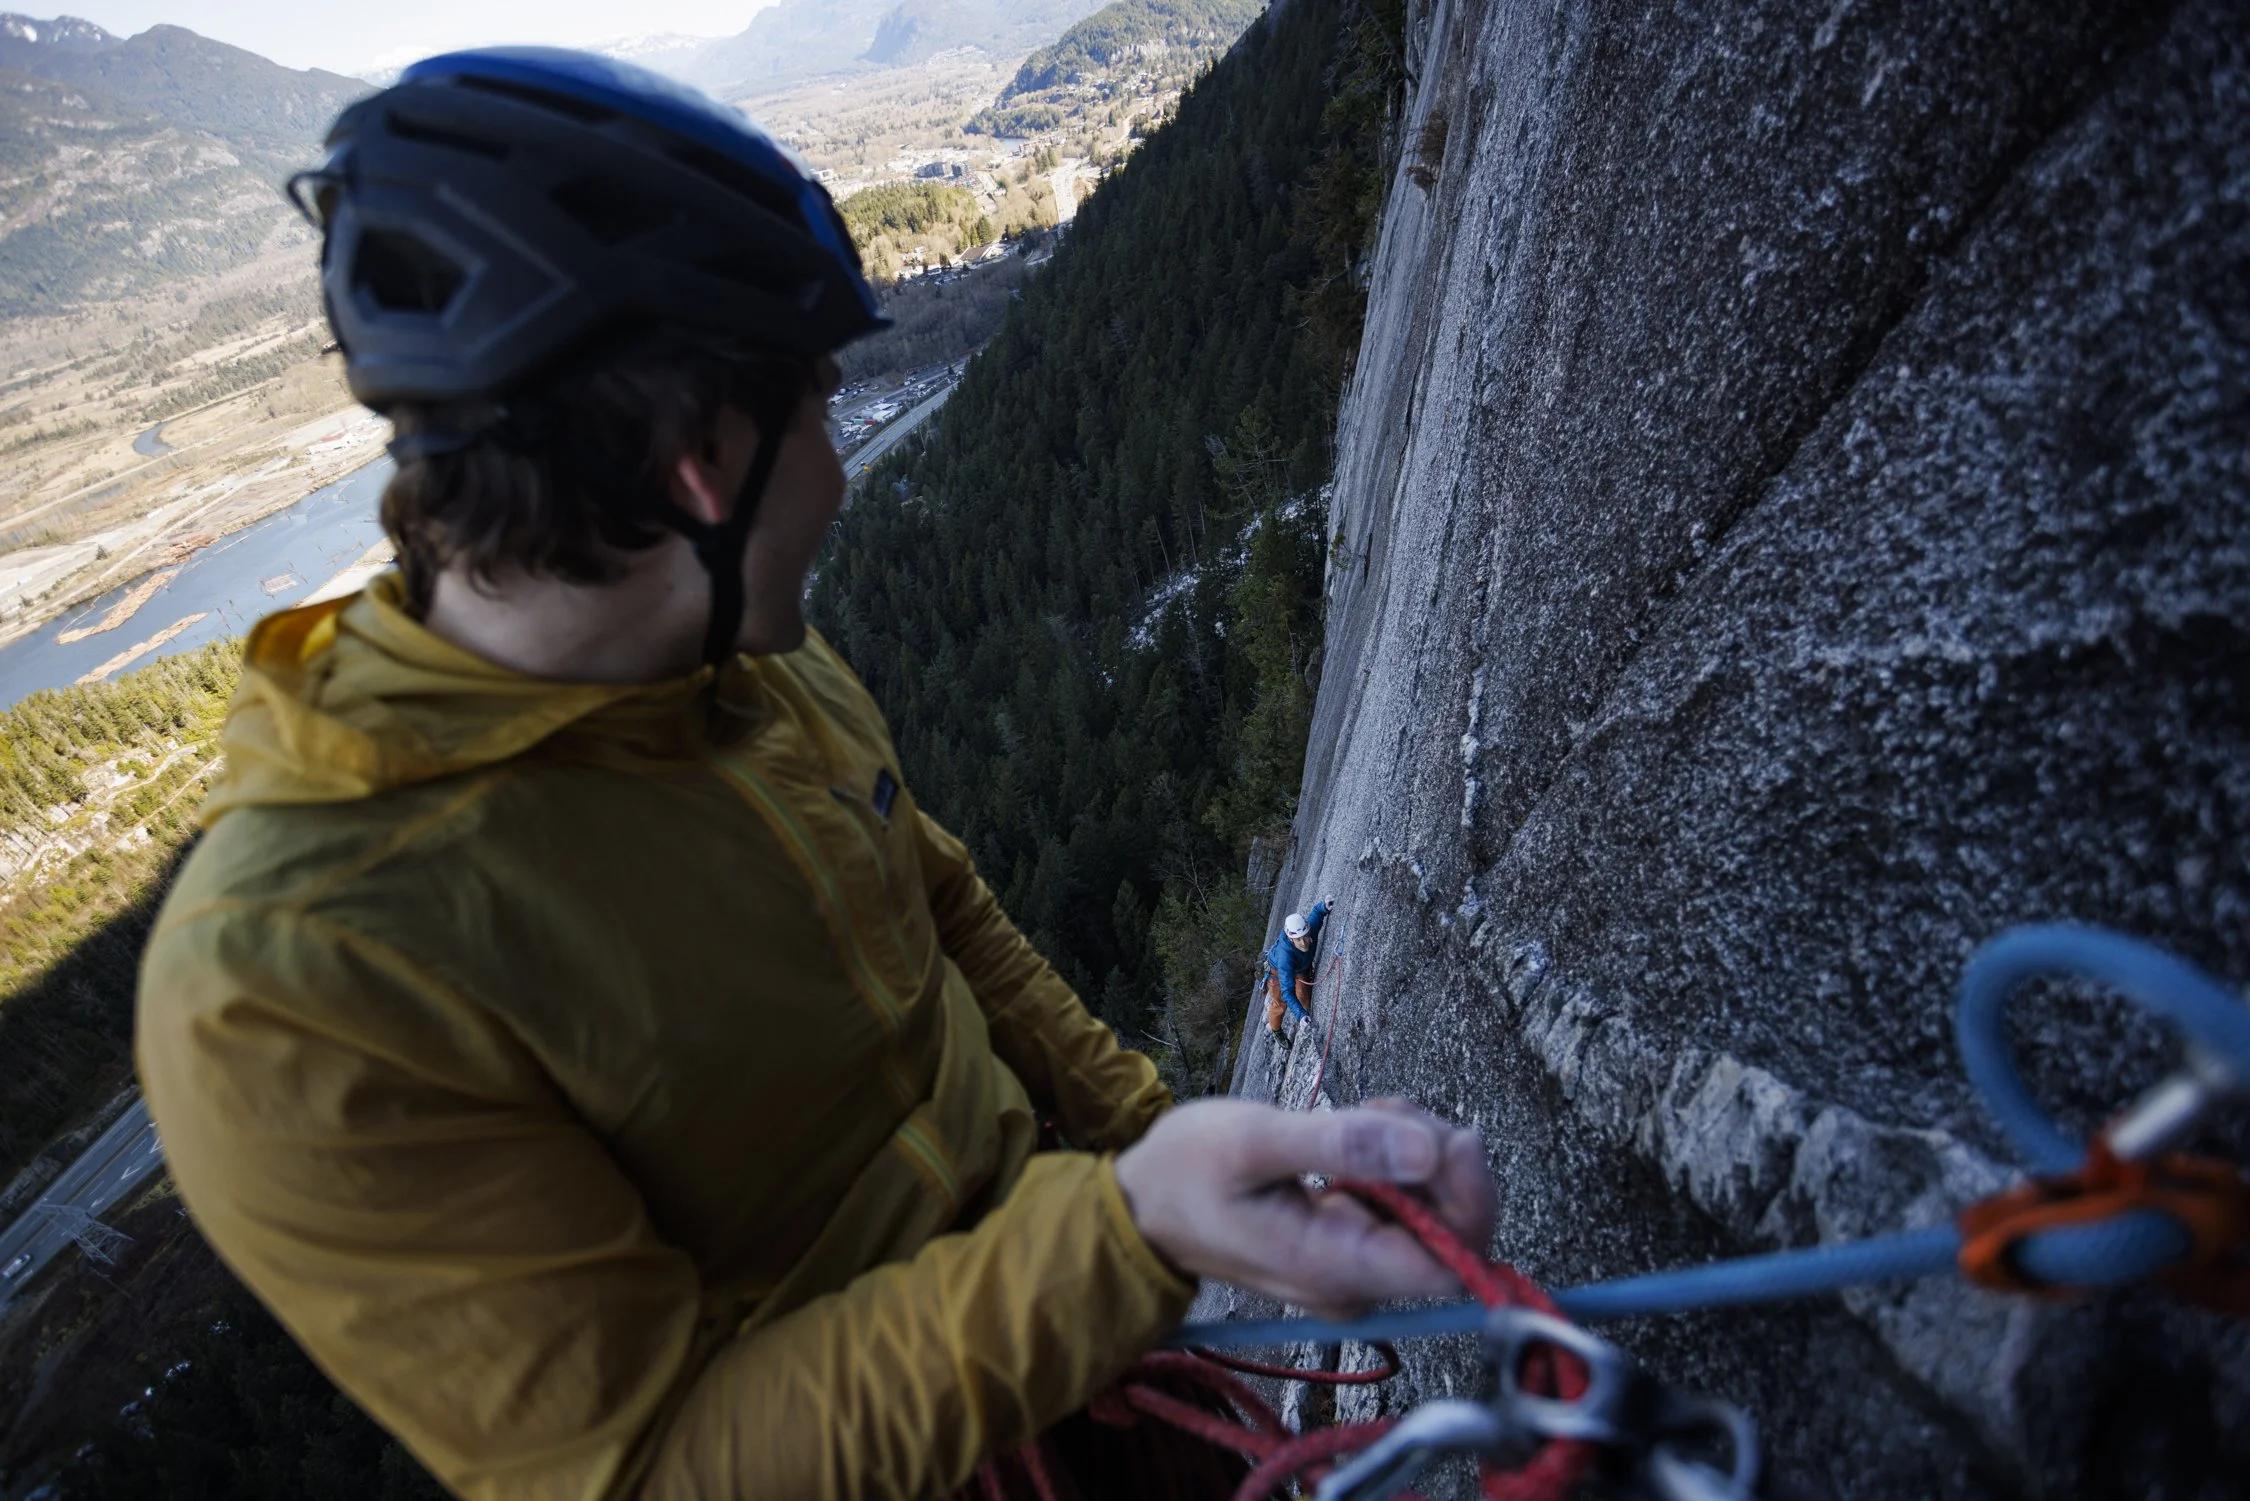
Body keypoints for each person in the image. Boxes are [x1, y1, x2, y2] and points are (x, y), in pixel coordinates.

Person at [133, 50, 1496, 1501]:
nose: (840, 471)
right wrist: (1123, 1237)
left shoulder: (731, 658)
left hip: (1086, 1354)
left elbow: (939, 908)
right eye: (818, 405)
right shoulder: (292, 985)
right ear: (700, 465)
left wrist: (1152, 1150)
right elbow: (644, 1469)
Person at [1262, 897, 1335, 1044]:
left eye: (1305, 937)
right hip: (1276, 973)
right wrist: (1301, 1016)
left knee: (1305, 997)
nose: (1304, 943)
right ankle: (1275, 1029)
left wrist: (1324, 906)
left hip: (1300, 967)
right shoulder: (1285, 957)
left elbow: (1316, 914)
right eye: (1298, 940)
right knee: (1280, 1001)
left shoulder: (1308, 930)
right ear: (1291, 940)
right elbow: (1288, 991)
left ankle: (1303, 1010)